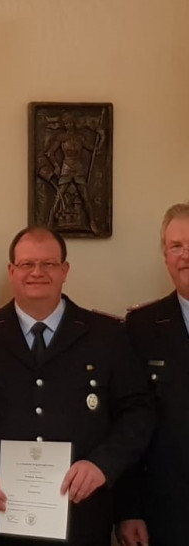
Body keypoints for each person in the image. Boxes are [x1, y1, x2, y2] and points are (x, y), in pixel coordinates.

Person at [0, 226, 153, 546]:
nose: (37, 272)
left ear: (65, 270)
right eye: (26, 264)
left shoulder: (105, 335)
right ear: (11, 271)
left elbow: (138, 413)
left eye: (49, 264)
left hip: (81, 517)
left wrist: (102, 464)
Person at [114, 202, 189, 546]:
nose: (186, 254)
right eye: (177, 246)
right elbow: (129, 422)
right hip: (166, 510)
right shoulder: (142, 328)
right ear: (165, 256)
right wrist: (128, 508)